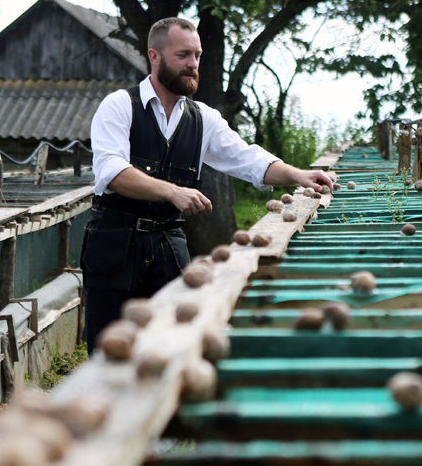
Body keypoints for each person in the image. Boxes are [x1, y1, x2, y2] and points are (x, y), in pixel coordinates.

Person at [85, 17, 332, 346]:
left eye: (197, 56)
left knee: (173, 343)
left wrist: (296, 174)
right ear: (154, 56)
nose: (193, 65)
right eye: (183, 55)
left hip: (168, 249)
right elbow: (112, 172)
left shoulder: (204, 119)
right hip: (114, 249)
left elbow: (248, 159)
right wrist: (172, 191)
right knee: (110, 348)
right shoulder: (119, 106)